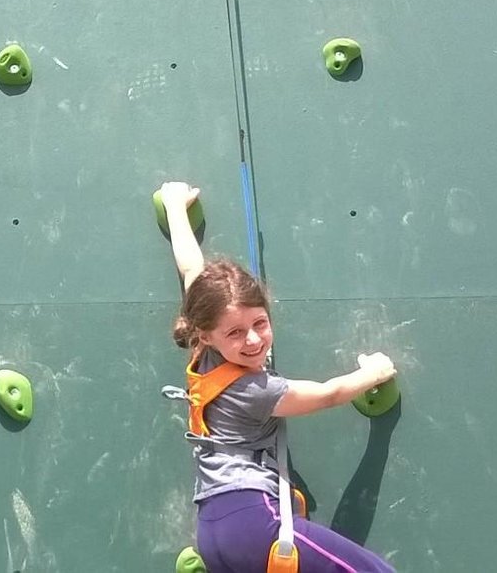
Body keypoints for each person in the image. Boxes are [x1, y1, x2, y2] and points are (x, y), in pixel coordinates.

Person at [158, 181, 396, 573]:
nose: (252, 340)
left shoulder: (204, 354)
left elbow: (191, 269)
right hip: (254, 520)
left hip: (213, 532)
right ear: (207, 333)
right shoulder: (254, 389)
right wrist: (373, 372)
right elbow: (327, 394)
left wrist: (175, 208)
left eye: (260, 323)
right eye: (236, 332)